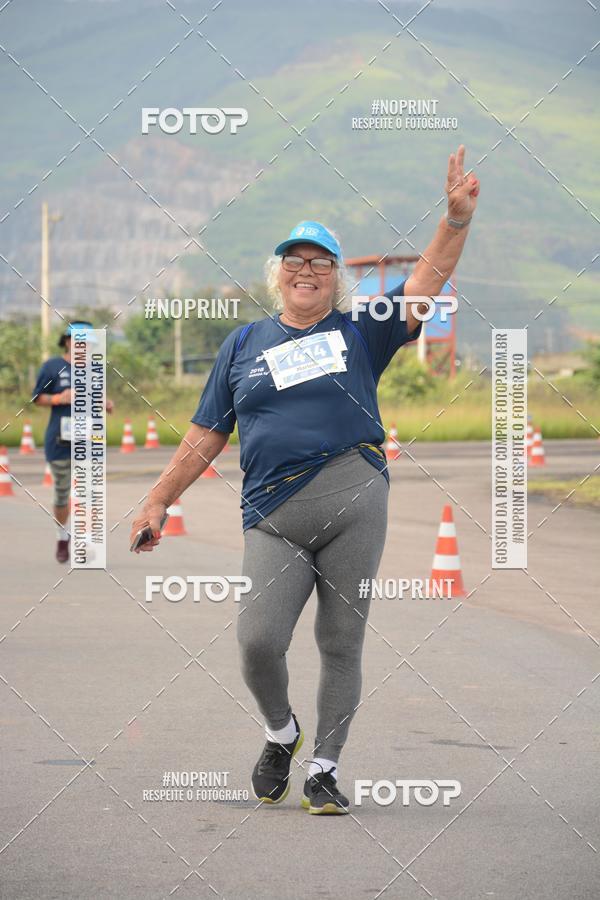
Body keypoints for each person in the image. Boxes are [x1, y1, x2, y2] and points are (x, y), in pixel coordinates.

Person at [130, 145, 479, 814]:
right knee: (258, 641)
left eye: (320, 262)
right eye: (295, 260)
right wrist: (157, 500)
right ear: (278, 274)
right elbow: (206, 435)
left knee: (340, 642)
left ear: (336, 278)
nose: (306, 270)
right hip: (273, 514)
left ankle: (324, 767)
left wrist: (455, 221)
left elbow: (425, 283)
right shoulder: (242, 345)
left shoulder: (361, 330)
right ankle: (281, 733)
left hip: (355, 500)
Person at [33, 322, 113, 563]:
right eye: (79, 342)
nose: (84, 347)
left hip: (89, 440)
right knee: (61, 494)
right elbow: (37, 397)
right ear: (68, 342)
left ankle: (85, 542)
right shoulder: (52, 367)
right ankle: (62, 536)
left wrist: (105, 403)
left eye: (88, 343)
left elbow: (99, 397)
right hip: (59, 440)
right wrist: (59, 398)